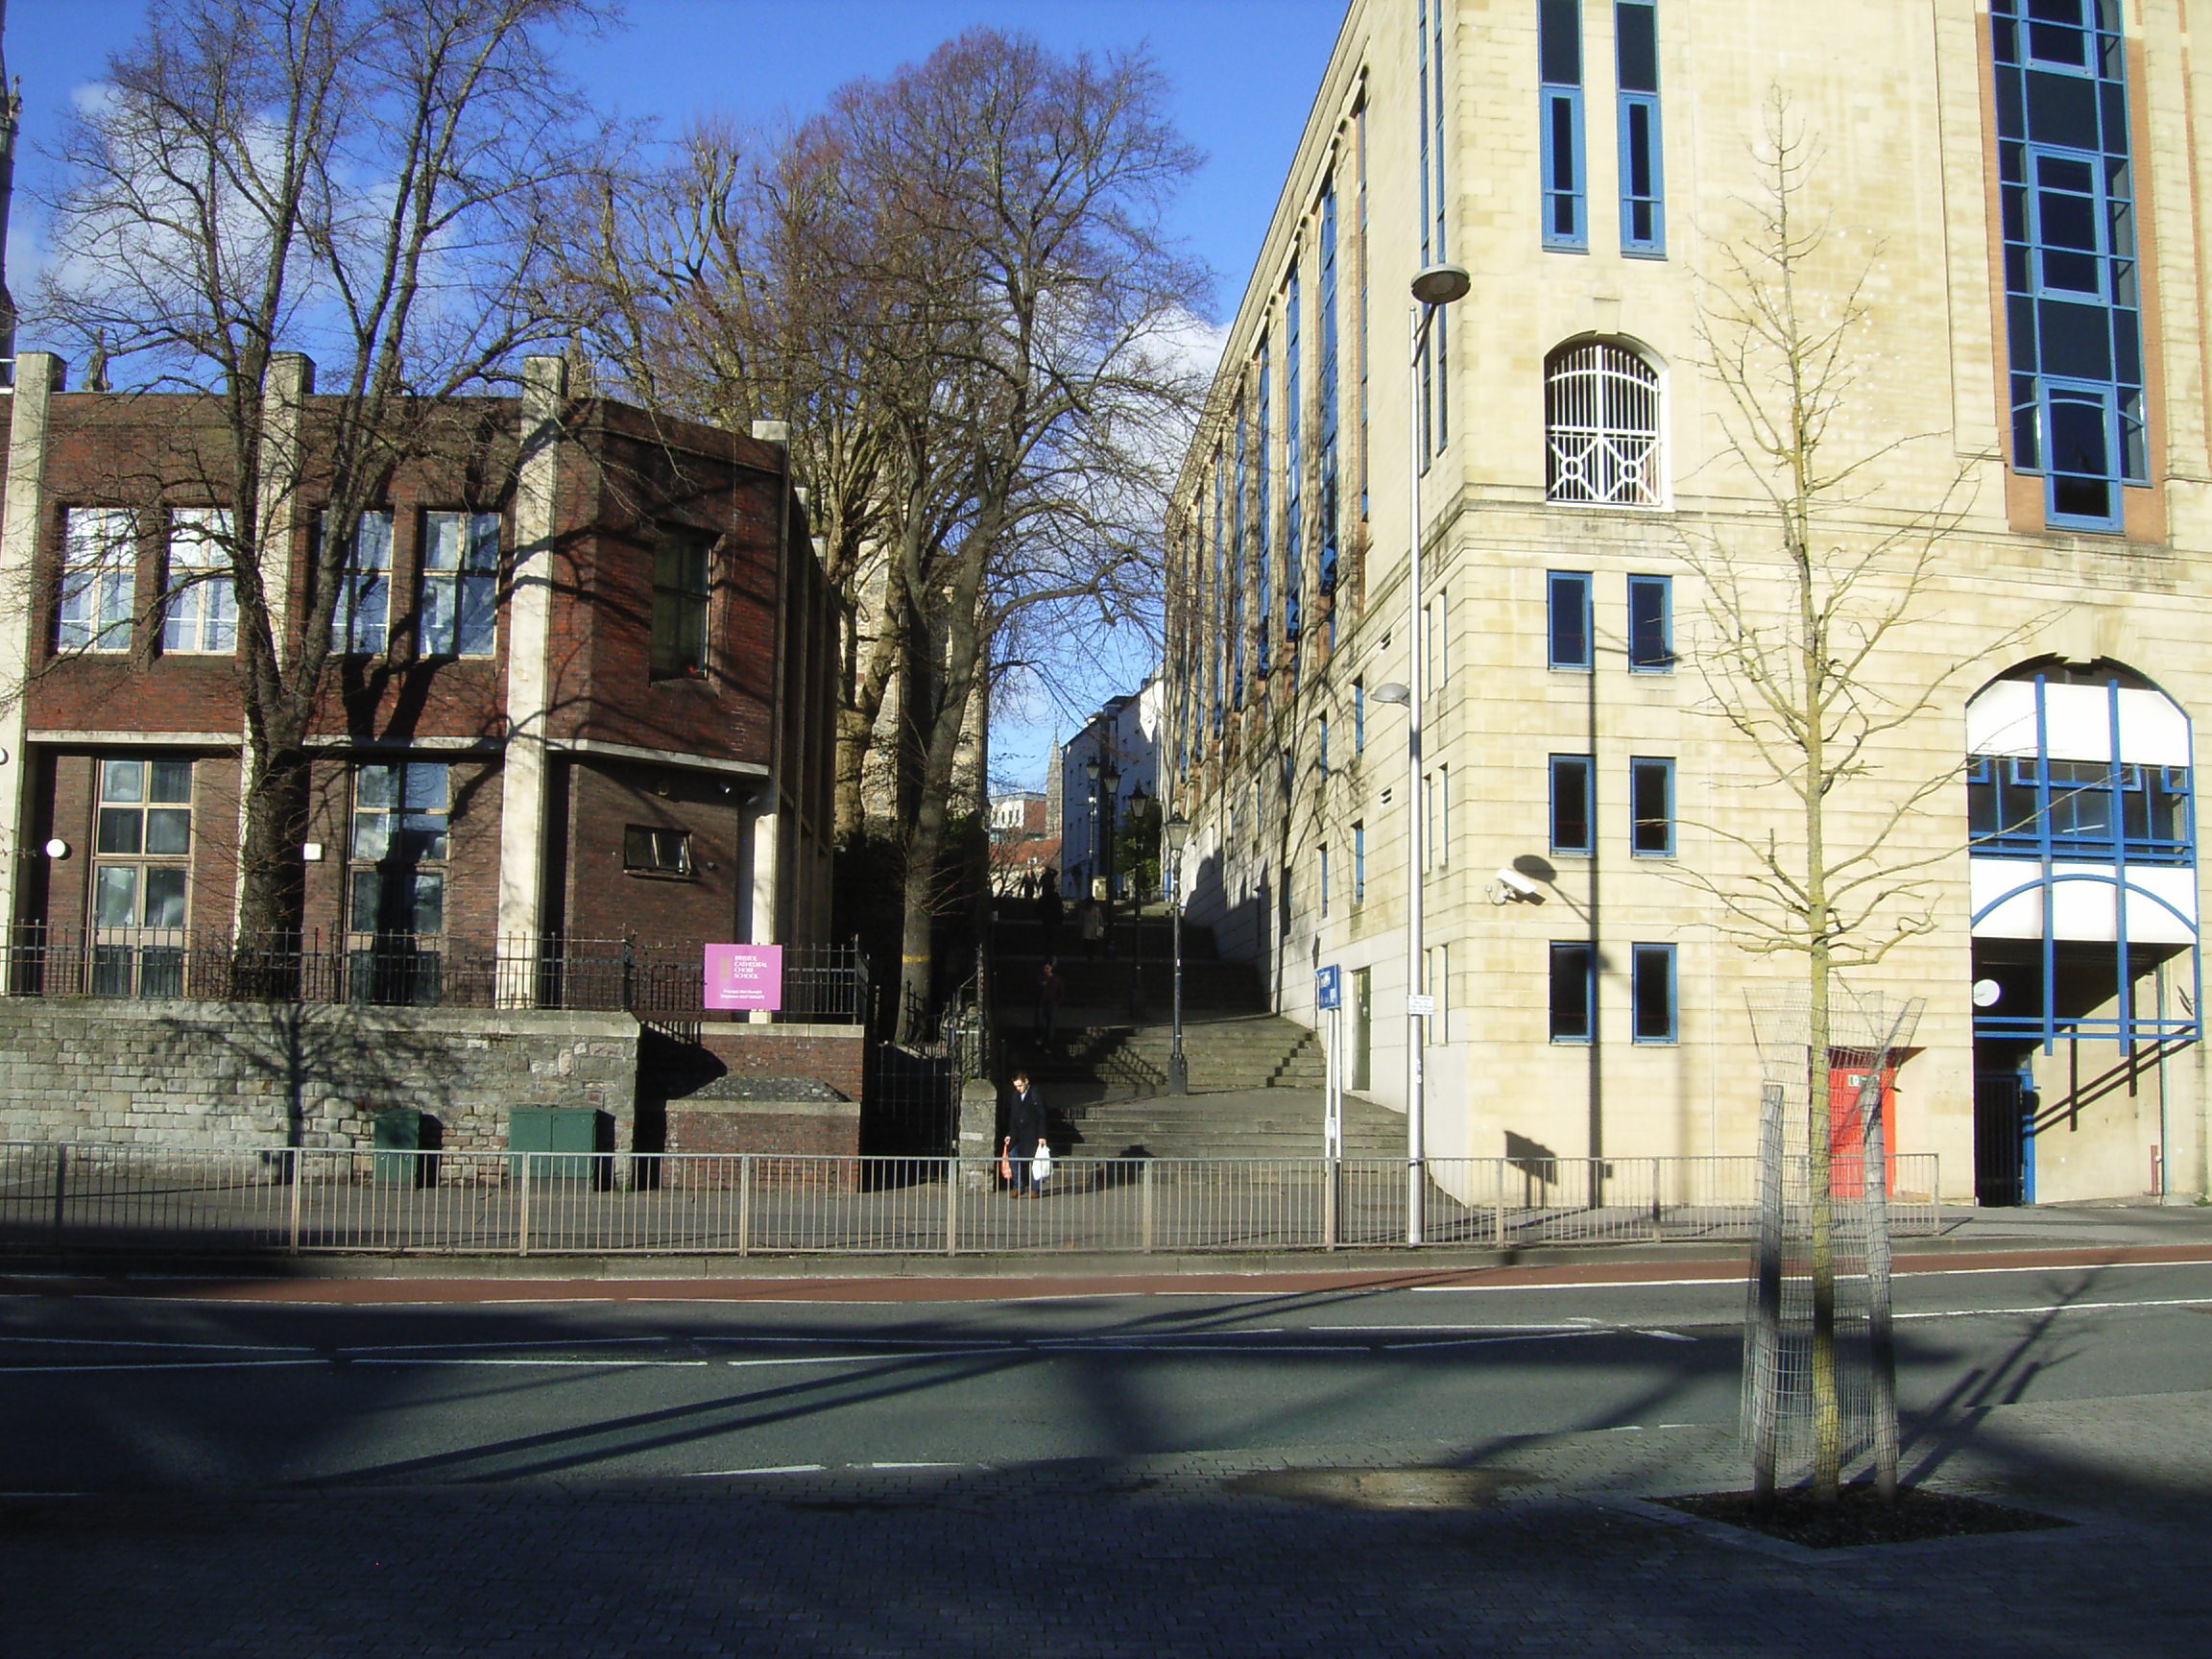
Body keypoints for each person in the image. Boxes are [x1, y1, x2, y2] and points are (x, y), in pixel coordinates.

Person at [1004, 1070, 1047, 1196]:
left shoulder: (1035, 1094)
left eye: (1020, 1085)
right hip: (1017, 1134)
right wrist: (1010, 1134)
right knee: (1012, 1155)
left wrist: (1042, 1135)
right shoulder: (1015, 1096)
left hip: (1032, 1133)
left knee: (1036, 1160)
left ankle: (1034, 1188)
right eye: (1016, 1086)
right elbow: (1013, 1117)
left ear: (1026, 1081)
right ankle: (1018, 1185)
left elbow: (1042, 1116)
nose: (1018, 1088)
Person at [1035, 959, 1064, 1046]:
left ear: (1051, 968)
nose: (1045, 970)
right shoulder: (1040, 978)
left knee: (1050, 1023)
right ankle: (1040, 1036)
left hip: (1051, 1003)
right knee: (1039, 1021)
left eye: (1047, 968)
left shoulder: (1056, 979)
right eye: (1044, 968)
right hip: (1041, 1003)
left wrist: (1056, 1001)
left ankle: (1049, 1042)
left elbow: (1061, 991)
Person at [1036, 870, 1064, 958]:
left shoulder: (1044, 898)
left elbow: (1038, 909)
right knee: (1053, 940)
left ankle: (1048, 956)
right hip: (1054, 921)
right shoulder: (1056, 898)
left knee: (1047, 939)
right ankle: (1052, 956)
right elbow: (1060, 910)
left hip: (1047, 921)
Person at [1078, 894, 1105, 960]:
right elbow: (1100, 919)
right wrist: (1101, 927)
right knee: (1093, 943)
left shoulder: (1084, 909)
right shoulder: (1096, 908)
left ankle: (1088, 955)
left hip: (1086, 928)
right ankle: (1091, 955)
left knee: (1087, 943)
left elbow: (1080, 919)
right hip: (1094, 928)